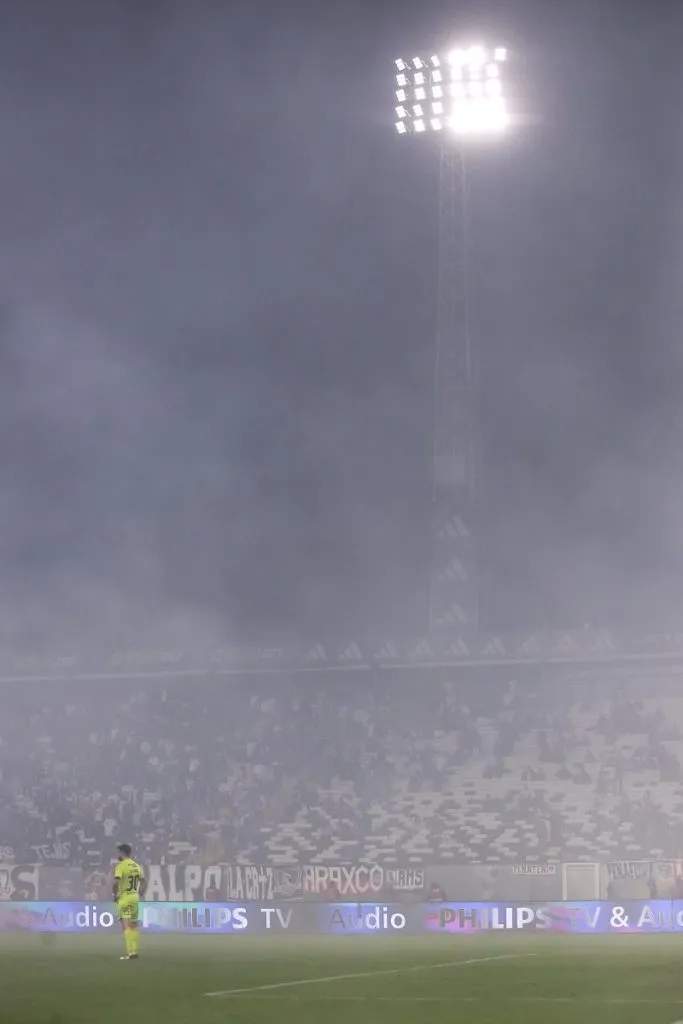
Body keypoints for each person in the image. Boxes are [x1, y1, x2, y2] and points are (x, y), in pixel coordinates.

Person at [113, 843, 146, 961]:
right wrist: (141, 892)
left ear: (122, 852)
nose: (118, 854)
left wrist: (115, 894)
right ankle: (135, 951)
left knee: (126, 926)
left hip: (125, 897)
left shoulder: (121, 866)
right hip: (134, 897)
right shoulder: (137, 866)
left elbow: (116, 882)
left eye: (119, 852)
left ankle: (130, 953)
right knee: (134, 925)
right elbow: (143, 882)